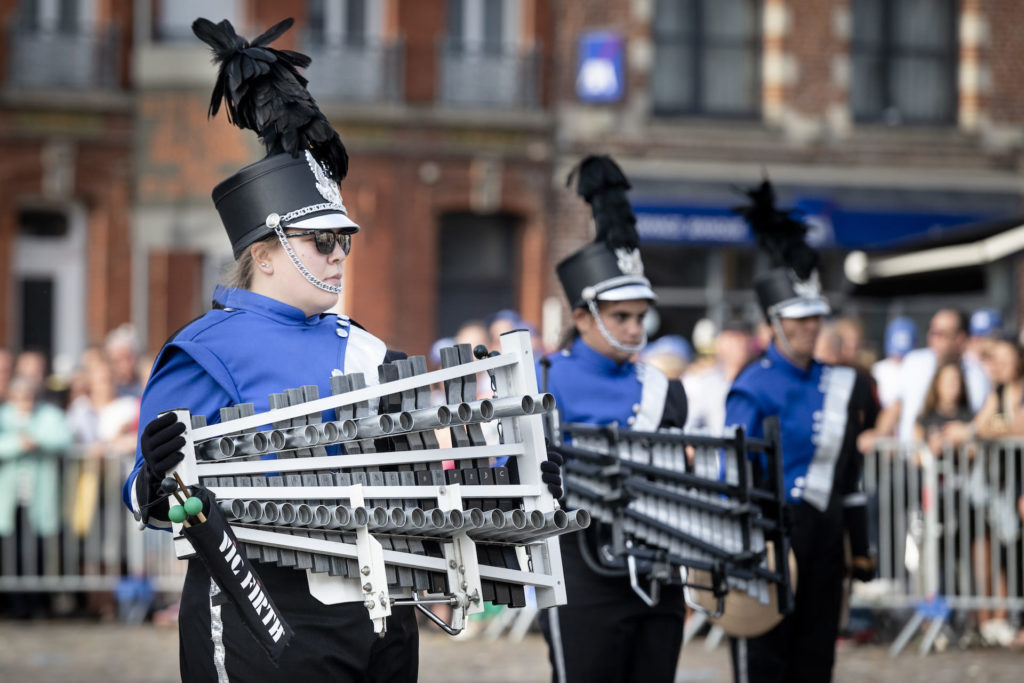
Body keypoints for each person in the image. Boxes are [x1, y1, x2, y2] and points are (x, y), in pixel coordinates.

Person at [120, 18, 558, 681]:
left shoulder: (370, 347)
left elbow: (419, 481)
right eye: (321, 241)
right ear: (264, 253)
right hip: (258, 604)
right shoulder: (204, 348)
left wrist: (504, 483)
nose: (338, 254)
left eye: (344, 240)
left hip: (384, 612)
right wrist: (156, 475)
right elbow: (146, 497)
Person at [539, 155, 688, 683]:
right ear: (583, 316)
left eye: (639, 317)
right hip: (581, 573)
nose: (632, 328)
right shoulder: (542, 378)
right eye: (620, 316)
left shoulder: (663, 388)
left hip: (659, 574)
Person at [725, 180, 876, 683]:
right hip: (769, 537)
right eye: (800, 319)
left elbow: (848, 471)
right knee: (764, 660)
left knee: (815, 662)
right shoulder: (752, 386)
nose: (812, 327)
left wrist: (860, 543)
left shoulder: (842, 383)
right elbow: (736, 473)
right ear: (775, 322)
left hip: (825, 539)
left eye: (816, 317)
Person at [868, 309, 988, 444]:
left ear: (960, 338)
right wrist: (878, 434)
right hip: (912, 458)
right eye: (931, 331)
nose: (932, 338)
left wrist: (966, 431)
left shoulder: (977, 372)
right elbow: (895, 406)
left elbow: (982, 416)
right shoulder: (914, 362)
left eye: (940, 334)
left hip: (960, 459)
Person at [683, 320, 751, 435]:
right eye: (732, 340)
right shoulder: (708, 382)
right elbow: (690, 425)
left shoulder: (755, 379)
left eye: (742, 340)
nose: (739, 346)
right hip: (716, 449)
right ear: (721, 344)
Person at [872, 317, 917, 410]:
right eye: (896, 355)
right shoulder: (878, 369)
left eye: (903, 357)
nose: (898, 359)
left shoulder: (918, 370)